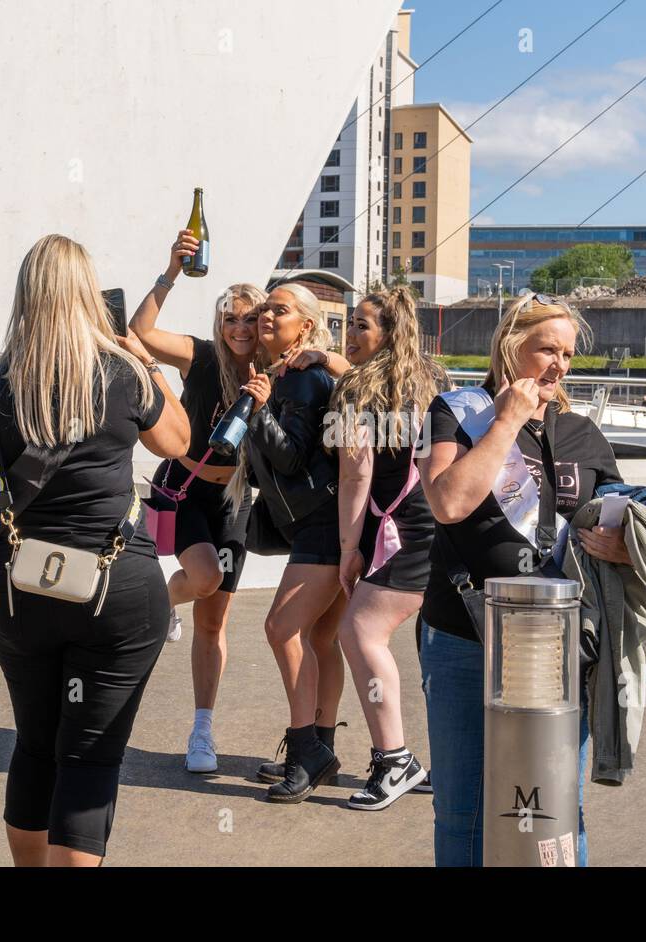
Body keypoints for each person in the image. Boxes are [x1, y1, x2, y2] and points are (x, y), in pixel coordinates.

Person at [0, 234, 190, 865]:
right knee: (89, 755)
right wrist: (142, 356)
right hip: (116, 588)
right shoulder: (123, 373)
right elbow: (179, 441)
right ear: (88, 294)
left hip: (21, 587)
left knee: (35, 742)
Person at [417, 291, 628, 866]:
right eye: (547, 350)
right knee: (463, 807)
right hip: (464, 635)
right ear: (511, 348)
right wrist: (508, 419)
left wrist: (622, 545)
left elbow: (622, 519)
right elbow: (448, 502)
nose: (560, 365)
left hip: (556, 644)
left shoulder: (583, 432)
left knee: (557, 801)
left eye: (569, 354)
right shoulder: (457, 412)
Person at [127, 227, 266, 774]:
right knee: (202, 578)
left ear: (265, 323)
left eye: (249, 318)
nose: (238, 327)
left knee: (213, 624)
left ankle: (201, 731)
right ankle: (163, 604)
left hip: (234, 501)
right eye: (230, 317)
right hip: (184, 488)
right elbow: (140, 331)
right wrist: (172, 271)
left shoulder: (273, 374)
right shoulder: (201, 357)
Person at [331, 287, 446, 810]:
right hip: (436, 520)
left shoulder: (360, 390)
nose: (349, 335)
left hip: (402, 528)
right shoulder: (429, 380)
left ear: (386, 335)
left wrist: (348, 549)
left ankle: (394, 759)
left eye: (361, 326)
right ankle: (430, 759)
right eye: (349, 324)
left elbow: (356, 474)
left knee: (359, 631)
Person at [240, 283, 351, 803]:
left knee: (281, 627)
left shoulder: (305, 380)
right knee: (322, 640)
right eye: (264, 308)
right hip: (320, 523)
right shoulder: (284, 375)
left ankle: (307, 749)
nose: (265, 315)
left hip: (323, 526)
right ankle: (321, 749)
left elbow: (289, 458)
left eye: (277, 310)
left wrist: (258, 414)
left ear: (305, 325)